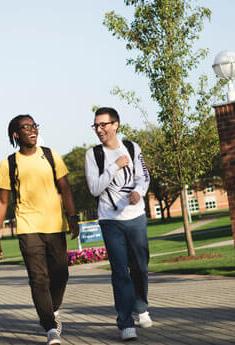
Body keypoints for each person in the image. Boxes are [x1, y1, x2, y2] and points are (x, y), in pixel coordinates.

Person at [0, 114, 79, 345]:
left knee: (61, 273)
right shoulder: (9, 164)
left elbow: (65, 187)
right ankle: (50, 328)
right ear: (16, 134)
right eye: (26, 127)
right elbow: (1, 201)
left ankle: (52, 309)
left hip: (55, 226)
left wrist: (73, 216)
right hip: (28, 228)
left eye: (34, 125)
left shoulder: (51, 155)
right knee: (38, 279)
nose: (32, 130)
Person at [85, 107, 151, 341]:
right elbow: (94, 188)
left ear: (116, 125)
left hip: (135, 216)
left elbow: (144, 176)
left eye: (103, 124)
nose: (99, 129)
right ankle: (125, 323)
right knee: (120, 272)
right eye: (96, 125)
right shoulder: (94, 155)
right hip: (110, 220)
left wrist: (139, 192)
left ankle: (141, 306)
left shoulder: (132, 148)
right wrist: (115, 166)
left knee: (141, 267)